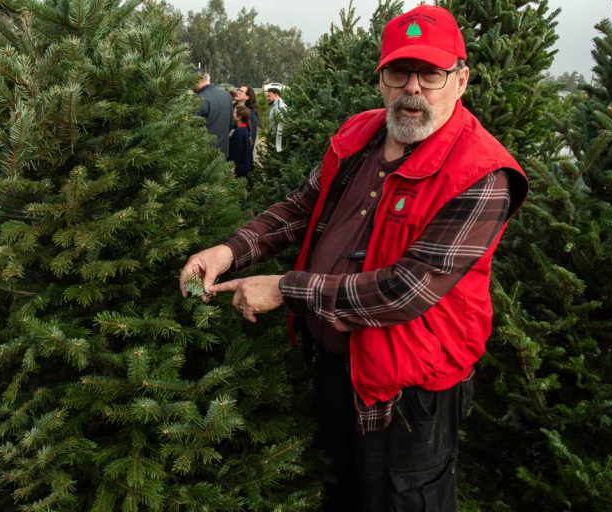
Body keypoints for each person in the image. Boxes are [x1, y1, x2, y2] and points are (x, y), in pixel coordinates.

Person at [180, 5, 528, 511]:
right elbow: (302, 209)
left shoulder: (482, 174)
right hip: (335, 367)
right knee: (338, 492)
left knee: (399, 499)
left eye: (431, 73)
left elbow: (404, 290)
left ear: (460, 79)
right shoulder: (359, 135)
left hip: (408, 395)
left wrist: (284, 288)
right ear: (382, 77)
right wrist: (229, 250)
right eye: (399, 71)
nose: (413, 88)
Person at [193, 68, 233, 157]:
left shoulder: (199, 100)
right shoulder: (226, 95)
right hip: (223, 153)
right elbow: (230, 125)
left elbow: (192, 130)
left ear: (197, 80)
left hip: (203, 155)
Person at [228, 105, 253, 178]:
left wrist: (233, 166)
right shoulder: (245, 129)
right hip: (244, 167)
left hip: (239, 169)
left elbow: (237, 151)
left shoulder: (239, 132)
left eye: (234, 112)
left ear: (239, 117)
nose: (232, 113)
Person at [266, 86, 287, 152]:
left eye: (269, 96)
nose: (267, 98)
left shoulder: (279, 106)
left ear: (275, 95)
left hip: (277, 140)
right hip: (273, 138)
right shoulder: (275, 105)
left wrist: (278, 146)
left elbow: (281, 124)